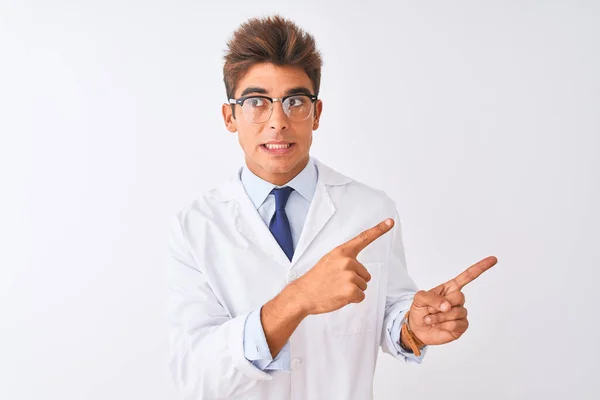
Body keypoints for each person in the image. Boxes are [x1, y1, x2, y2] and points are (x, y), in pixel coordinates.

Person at [167, 14, 498, 400]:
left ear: (317, 113)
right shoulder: (195, 226)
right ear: (230, 117)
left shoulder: (370, 210)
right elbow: (194, 372)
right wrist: (297, 298)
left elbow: (389, 312)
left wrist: (412, 326)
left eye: (295, 101)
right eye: (257, 102)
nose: (278, 122)